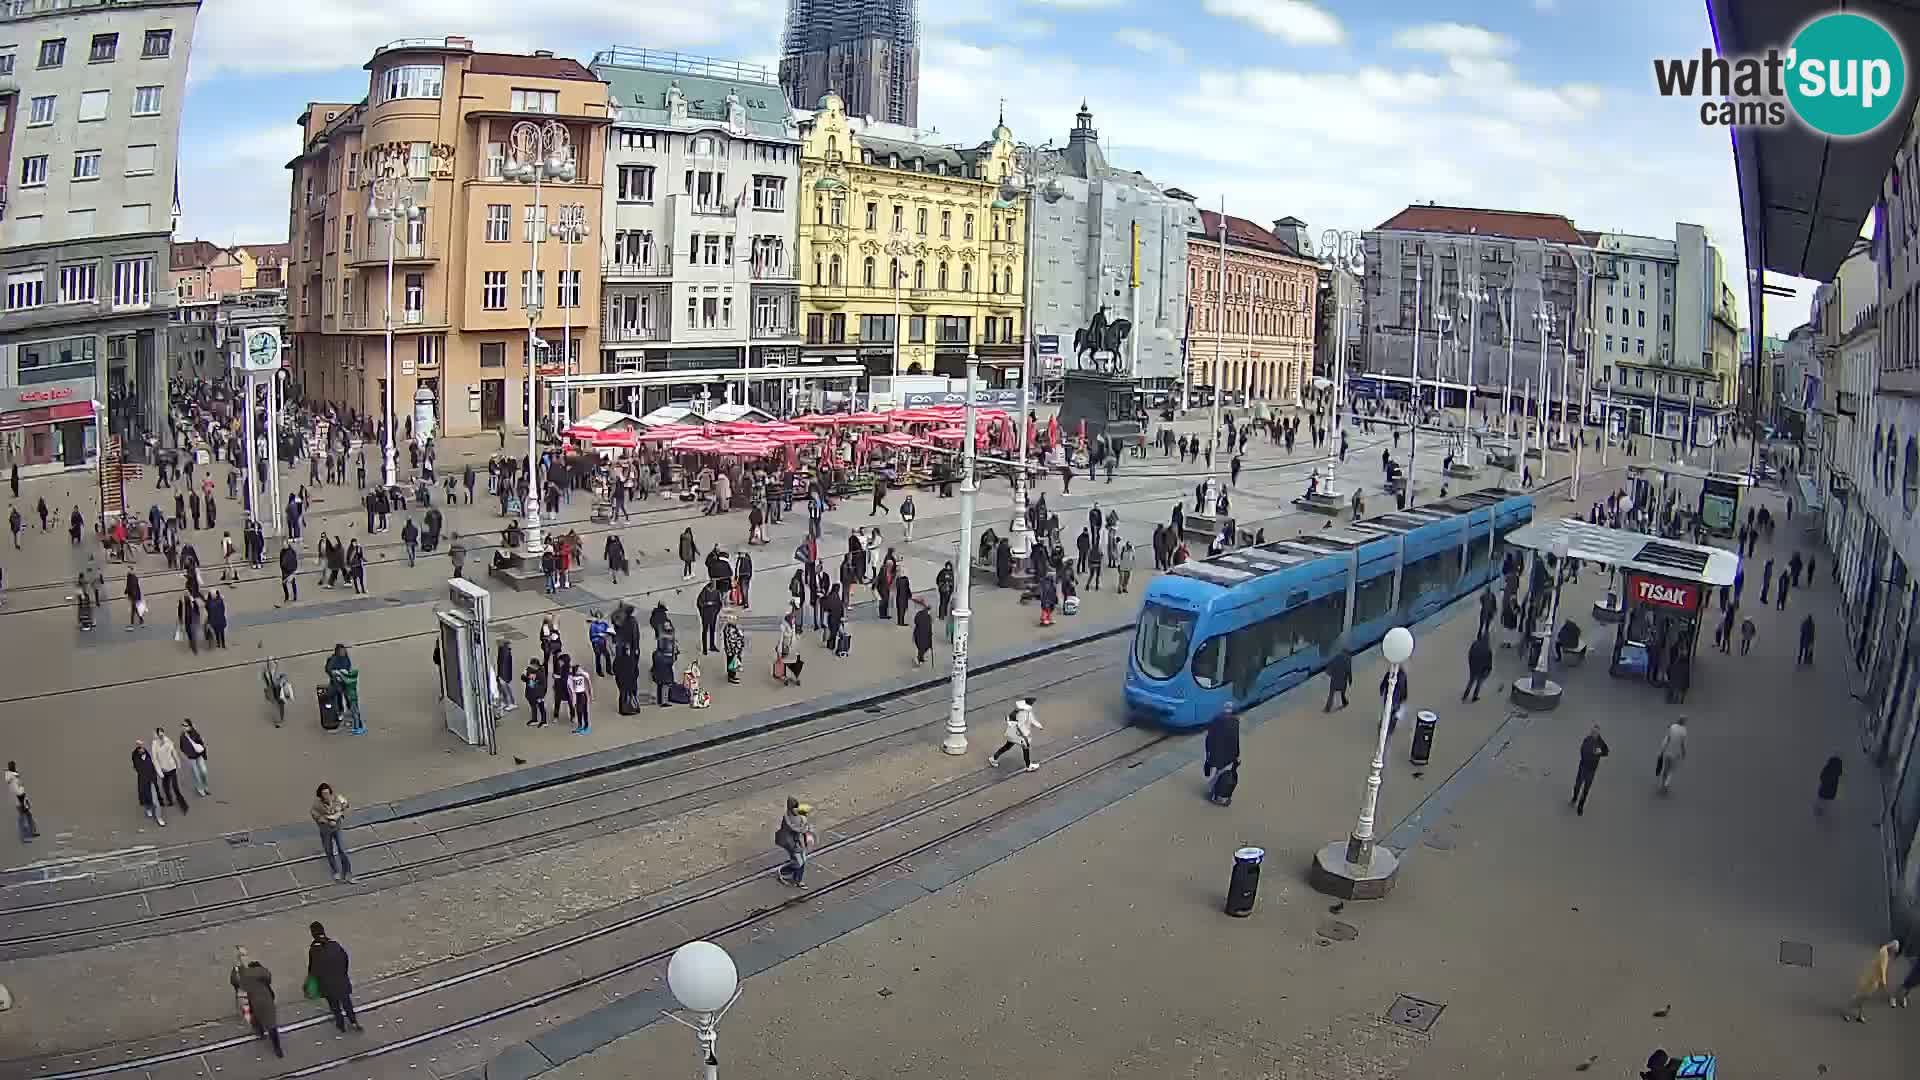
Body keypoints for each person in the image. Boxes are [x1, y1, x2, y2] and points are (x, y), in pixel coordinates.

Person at [307, 921, 362, 1032]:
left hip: (327, 984)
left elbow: (313, 969)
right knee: (346, 1002)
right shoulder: (334, 944)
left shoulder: (314, 950)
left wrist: (314, 982)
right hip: (341, 980)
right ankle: (353, 1021)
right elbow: (345, 959)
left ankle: (340, 1024)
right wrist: (343, 973)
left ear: (313, 934)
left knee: (334, 1004)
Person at [231, 947, 284, 1057]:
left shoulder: (241, 974)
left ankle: (260, 1033)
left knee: (254, 1017)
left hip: (250, 1000)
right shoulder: (259, 971)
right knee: (271, 1024)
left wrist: (237, 968)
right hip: (265, 998)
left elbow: (235, 982)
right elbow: (268, 977)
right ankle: (277, 1048)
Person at [1843, 938, 1902, 1022]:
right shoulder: (1884, 954)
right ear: (1892, 949)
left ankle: (1860, 1015)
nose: (1894, 953)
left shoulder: (1885, 951)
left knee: (1865, 998)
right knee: (1859, 997)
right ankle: (1847, 1012)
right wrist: (1884, 983)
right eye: (1894, 951)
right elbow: (1882, 969)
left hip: (1874, 981)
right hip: (1870, 979)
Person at [312, 783, 353, 883]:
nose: (326, 796)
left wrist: (340, 812)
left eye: (327, 793)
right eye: (323, 794)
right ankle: (335, 871)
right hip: (326, 831)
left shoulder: (337, 798)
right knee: (329, 851)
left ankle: (347, 871)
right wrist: (328, 820)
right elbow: (317, 817)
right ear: (320, 795)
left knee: (342, 850)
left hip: (337, 828)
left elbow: (346, 804)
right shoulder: (317, 806)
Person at [989, 697, 1042, 771]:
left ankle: (993, 758)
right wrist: (1024, 736)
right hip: (1018, 735)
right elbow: (1020, 725)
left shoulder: (1026, 711)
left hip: (1015, 734)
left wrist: (1038, 725)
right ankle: (1028, 765)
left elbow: (1031, 719)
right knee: (1024, 748)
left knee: (1007, 747)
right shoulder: (1022, 713)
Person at [1202, 707, 1241, 806]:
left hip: (1217, 756)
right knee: (1222, 775)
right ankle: (1219, 796)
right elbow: (1236, 742)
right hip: (1228, 757)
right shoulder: (1235, 723)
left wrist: (1208, 757)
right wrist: (1236, 756)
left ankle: (1214, 794)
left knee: (1217, 775)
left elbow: (1209, 742)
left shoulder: (1217, 723)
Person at [774, 796, 814, 887]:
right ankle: (789, 875)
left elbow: (804, 821)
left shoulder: (798, 813)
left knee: (802, 861)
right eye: (794, 808)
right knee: (799, 862)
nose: (796, 810)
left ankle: (796, 878)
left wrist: (806, 827)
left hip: (799, 842)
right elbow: (792, 828)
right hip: (790, 843)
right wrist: (803, 829)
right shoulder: (787, 817)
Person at [1570, 724, 1609, 815]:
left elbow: (1606, 752)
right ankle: (1574, 798)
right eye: (1593, 732)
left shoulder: (1601, 742)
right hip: (1583, 767)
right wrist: (1592, 754)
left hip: (1591, 770)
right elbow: (1582, 751)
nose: (1593, 734)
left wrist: (1600, 752)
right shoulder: (1587, 740)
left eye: (1595, 733)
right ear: (1591, 732)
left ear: (1598, 734)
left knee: (1586, 789)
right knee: (1577, 785)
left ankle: (1580, 806)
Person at [151, 727, 189, 814]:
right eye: (159, 734)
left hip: (172, 768)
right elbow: (155, 759)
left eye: (162, 733)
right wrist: (160, 772)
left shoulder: (168, 741)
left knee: (175, 787)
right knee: (166, 787)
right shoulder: (155, 744)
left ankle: (183, 805)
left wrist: (178, 762)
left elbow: (173, 752)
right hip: (163, 770)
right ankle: (170, 801)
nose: (161, 736)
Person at [132, 741, 164, 827]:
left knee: (155, 801)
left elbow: (154, 765)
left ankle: (159, 818)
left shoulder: (148, 756)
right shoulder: (136, 758)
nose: (142, 750)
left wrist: (155, 777)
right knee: (146, 797)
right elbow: (134, 756)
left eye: (143, 748)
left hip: (151, 782)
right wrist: (138, 746)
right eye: (140, 749)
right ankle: (148, 808)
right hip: (143, 782)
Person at [7, 760, 38, 842]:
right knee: (22, 817)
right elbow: (15, 789)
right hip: (18, 798)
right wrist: (21, 800)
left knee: (27, 815)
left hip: (21, 797)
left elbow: (19, 786)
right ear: (10, 767)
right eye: (12, 766)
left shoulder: (14, 775)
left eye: (14, 765)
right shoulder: (11, 777)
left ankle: (31, 832)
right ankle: (23, 837)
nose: (14, 767)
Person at [1655, 717, 1688, 794]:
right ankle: (1666, 783)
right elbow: (1683, 744)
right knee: (1672, 770)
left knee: (1665, 770)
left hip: (1668, 752)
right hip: (1676, 754)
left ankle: (1661, 784)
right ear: (1684, 722)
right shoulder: (1684, 731)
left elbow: (1666, 740)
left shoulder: (1672, 727)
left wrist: (1661, 751)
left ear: (1678, 720)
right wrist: (1684, 753)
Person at [179, 719, 211, 797]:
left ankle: (205, 787)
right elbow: (182, 747)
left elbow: (201, 743)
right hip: (191, 758)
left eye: (185, 725)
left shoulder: (195, 733)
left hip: (199, 756)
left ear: (190, 727)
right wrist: (187, 754)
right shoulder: (182, 736)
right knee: (196, 775)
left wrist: (204, 753)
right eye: (182, 725)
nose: (183, 727)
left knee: (204, 771)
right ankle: (200, 789)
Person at [1463, 633, 1493, 702]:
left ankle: (1465, 695)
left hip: (1473, 667)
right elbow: (1489, 662)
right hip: (1482, 670)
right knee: (1479, 683)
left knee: (1471, 681)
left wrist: (1470, 664)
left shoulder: (1475, 644)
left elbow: (1470, 653)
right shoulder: (1488, 650)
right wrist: (1489, 670)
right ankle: (1475, 696)